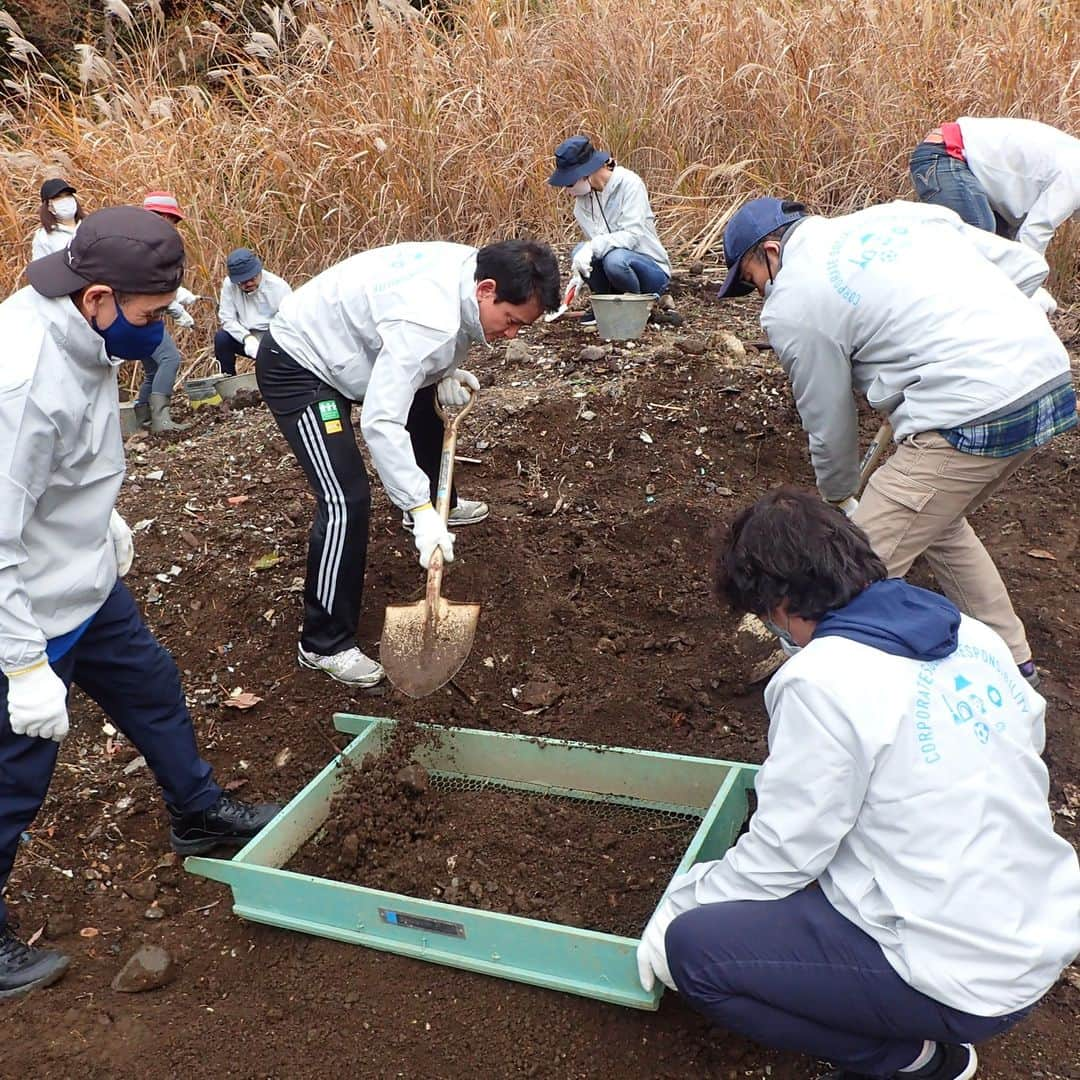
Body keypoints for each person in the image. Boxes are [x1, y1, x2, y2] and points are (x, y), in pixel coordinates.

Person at [637, 487, 1080, 1080]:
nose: (774, 628)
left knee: (696, 953)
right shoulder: (971, 635)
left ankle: (912, 1061)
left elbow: (783, 855)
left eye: (765, 612)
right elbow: (1026, 742)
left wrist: (676, 908)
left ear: (783, 599)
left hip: (960, 972)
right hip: (1036, 923)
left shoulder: (822, 679)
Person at [0, 207, 280, 999]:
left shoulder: (83, 330)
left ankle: (197, 814)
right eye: (150, 316)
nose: (159, 331)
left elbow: (67, 456)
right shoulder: (18, 378)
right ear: (96, 296)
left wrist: (100, 511)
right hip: (22, 606)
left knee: (152, 687)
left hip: (83, 578)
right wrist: (22, 666)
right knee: (15, 772)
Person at [714, 196, 1076, 687]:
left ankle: (831, 694)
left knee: (847, 569)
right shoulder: (901, 217)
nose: (759, 294)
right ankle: (1013, 668)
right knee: (938, 520)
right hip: (1046, 381)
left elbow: (827, 416)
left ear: (772, 252)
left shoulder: (794, 304)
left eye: (753, 280)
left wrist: (839, 495)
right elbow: (1028, 267)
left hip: (969, 409)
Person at [256, 240, 559, 687]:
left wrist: (445, 372)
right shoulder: (428, 322)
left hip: (361, 349)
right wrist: (417, 509)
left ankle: (442, 506)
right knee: (346, 497)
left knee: (427, 399)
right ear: (486, 290)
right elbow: (380, 421)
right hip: (301, 364)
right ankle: (323, 644)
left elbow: (422, 341)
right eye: (511, 321)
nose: (511, 335)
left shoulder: (470, 270)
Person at [909, 117, 1080, 314]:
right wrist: (1026, 296)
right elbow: (1035, 231)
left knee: (999, 256)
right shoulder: (1076, 173)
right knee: (980, 236)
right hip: (946, 153)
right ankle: (938, 314)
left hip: (961, 163)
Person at [546, 135, 679, 325]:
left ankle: (638, 307)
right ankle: (606, 303)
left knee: (615, 260)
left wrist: (593, 247)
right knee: (580, 251)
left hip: (649, 269)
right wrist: (580, 272)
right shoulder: (581, 205)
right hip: (613, 272)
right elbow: (596, 253)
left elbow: (632, 236)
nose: (568, 190)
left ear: (586, 173)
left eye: (569, 183)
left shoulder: (630, 184)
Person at [131, 191, 200, 433]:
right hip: (140, 316)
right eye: (170, 219)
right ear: (158, 217)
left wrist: (179, 294)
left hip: (137, 315)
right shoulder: (144, 246)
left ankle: (144, 418)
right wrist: (177, 310)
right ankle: (161, 419)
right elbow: (149, 288)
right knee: (170, 359)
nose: (172, 226)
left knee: (153, 367)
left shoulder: (137, 242)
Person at [215, 247, 292, 376]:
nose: (248, 283)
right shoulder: (229, 285)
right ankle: (228, 382)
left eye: (252, 278)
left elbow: (289, 324)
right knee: (222, 338)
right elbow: (227, 319)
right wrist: (247, 338)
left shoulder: (278, 287)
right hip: (245, 334)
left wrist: (269, 342)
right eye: (243, 281)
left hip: (273, 336)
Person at [31, 178, 84, 260]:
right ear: (48, 206)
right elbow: (41, 270)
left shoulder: (89, 226)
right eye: (58, 197)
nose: (65, 200)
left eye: (68, 195)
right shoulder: (43, 237)